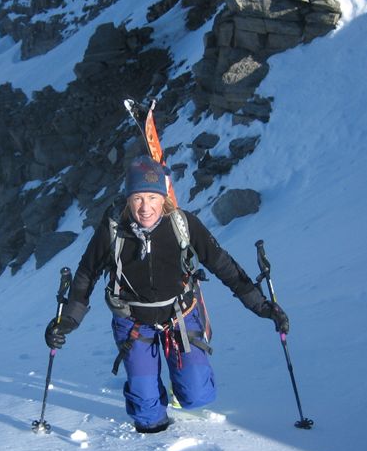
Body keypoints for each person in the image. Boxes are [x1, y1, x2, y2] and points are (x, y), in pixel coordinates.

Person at [45, 155, 289, 433]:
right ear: (128, 199)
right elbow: (86, 274)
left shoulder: (182, 224)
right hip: (133, 321)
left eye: (152, 197)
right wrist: (68, 321)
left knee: (198, 397)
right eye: (137, 198)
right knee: (148, 418)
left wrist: (263, 307)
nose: (145, 207)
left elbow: (225, 267)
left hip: (180, 317)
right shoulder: (113, 229)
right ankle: (148, 398)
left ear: (163, 197)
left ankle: (180, 383)